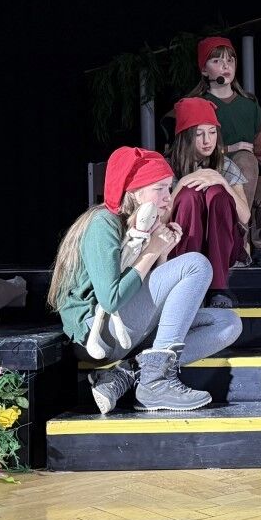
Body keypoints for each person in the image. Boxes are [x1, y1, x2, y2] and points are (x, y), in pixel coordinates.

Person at [50, 146, 242, 414]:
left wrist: (162, 254)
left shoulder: (142, 225)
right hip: (98, 333)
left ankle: (127, 373)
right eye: (159, 189)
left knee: (228, 323)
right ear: (134, 192)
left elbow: (151, 300)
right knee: (196, 264)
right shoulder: (103, 223)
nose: (168, 198)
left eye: (169, 188)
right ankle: (156, 382)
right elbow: (112, 299)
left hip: (129, 329)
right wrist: (151, 251)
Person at [184, 36, 261, 266]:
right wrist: (231, 150)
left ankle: (258, 243)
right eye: (217, 61)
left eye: (230, 60)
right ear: (204, 70)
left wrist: (247, 167)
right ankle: (238, 242)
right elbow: (187, 151)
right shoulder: (196, 105)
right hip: (211, 174)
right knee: (243, 157)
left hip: (249, 177)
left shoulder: (249, 105)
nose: (225, 66)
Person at [167, 97, 249, 309]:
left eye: (212, 132)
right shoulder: (167, 168)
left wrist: (222, 182)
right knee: (189, 194)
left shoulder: (225, 165)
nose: (207, 141)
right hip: (181, 246)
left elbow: (245, 217)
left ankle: (218, 288)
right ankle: (186, 283)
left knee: (217, 193)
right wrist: (181, 184)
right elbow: (158, 219)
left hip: (222, 247)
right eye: (199, 134)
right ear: (185, 136)